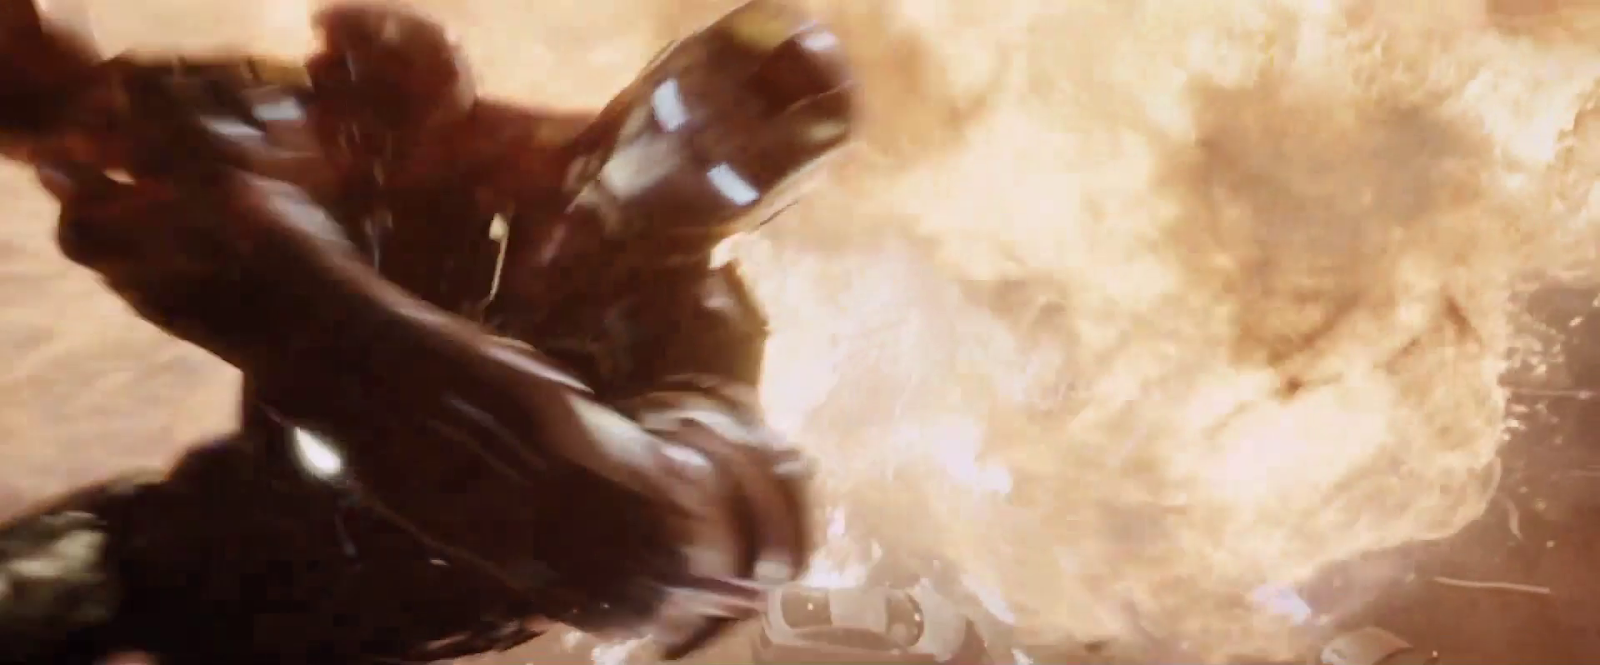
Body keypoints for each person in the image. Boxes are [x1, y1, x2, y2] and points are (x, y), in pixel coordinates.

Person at [0, 1, 856, 663]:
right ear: (651, 80)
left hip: (357, 639)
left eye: (726, 165)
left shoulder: (704, 343)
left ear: (760, 204)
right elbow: (106, 124)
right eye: (678, 109)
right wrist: (74, 98)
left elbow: (647, 546)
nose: (676, 151)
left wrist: (300, 303)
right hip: (195, 533)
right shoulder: (457, 146)